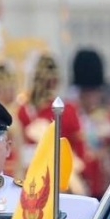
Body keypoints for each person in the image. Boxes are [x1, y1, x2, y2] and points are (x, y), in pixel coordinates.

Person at [16, 53, 90, 192]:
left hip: (33, 179)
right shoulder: (67, 110)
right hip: (56, 178)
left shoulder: (22, 111)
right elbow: (80, 149)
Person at [72, 48, 110, 198]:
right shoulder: (71, 115)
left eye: (95, 91)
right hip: (79, 184)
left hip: (104, 185)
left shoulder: (109, 117)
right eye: (89, 92)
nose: (93, 96)